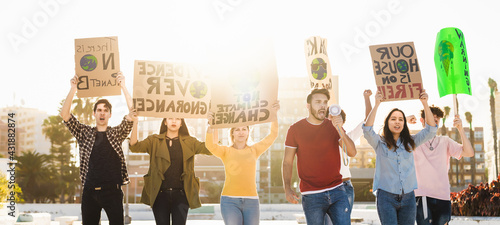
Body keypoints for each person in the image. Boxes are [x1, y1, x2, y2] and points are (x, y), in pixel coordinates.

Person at [61, 73, 135, 225]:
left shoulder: (116, 133)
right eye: (99, 110)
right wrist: (73, 89)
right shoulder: (85, 133)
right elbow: (65, 115)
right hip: (90, 192)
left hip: (113, 192)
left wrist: (123, 86)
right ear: (94, 113)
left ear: (110, 114)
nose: (102, 113)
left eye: (105, 110)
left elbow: (133, 113)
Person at [362, 90, 437, 225]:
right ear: (387, 123)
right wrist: (377, 104)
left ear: (404, 124)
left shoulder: (411, 142)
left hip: (408, 197)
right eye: (393, 119)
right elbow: (367, 130)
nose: (397, 122)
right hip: (386, 197)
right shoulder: (379, 143)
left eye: (401, 119)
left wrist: (425, 104)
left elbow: (431, 130)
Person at [282, 89, 356, 225]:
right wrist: (287, 188)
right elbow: (287, 162)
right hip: (311, 195)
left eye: (325, 102)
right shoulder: (295, 129)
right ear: (308, 106)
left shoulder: (333, 126)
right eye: (318, 102)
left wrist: (340, 130)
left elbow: (352, 152)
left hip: (337, 191)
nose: (322, 106)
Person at [205, 101, 280, 225]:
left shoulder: (254, 150)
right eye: (237, 130)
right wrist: (210, 125)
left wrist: (274, 115)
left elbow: (273, 135)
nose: (241, 132)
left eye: (244, 129)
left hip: (251, 201)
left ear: (248, 132)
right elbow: (210, 145)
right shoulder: (226, 151)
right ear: (232, 133)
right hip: (229, 201)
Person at [129, 117, 212, 225]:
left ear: (181, 123)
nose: (174, 121)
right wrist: (135, 122)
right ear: (165, 121)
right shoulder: (154, 140)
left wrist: (211, 126)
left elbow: (210, 148)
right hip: (159, 194)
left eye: (177, 119)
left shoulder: (190, 141)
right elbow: (134, 146)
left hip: (181, 194)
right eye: (170, 118)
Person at [410, 107, 474, 225]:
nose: (434, 121)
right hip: (422, 195)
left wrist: (460, 129)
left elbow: (469, 152)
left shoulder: (445, 141)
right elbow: (391, 137)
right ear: (422, 120)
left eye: (437, 119)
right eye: (430, 118)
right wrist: (406, 120)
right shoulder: (413, 140)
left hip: (443, 197)